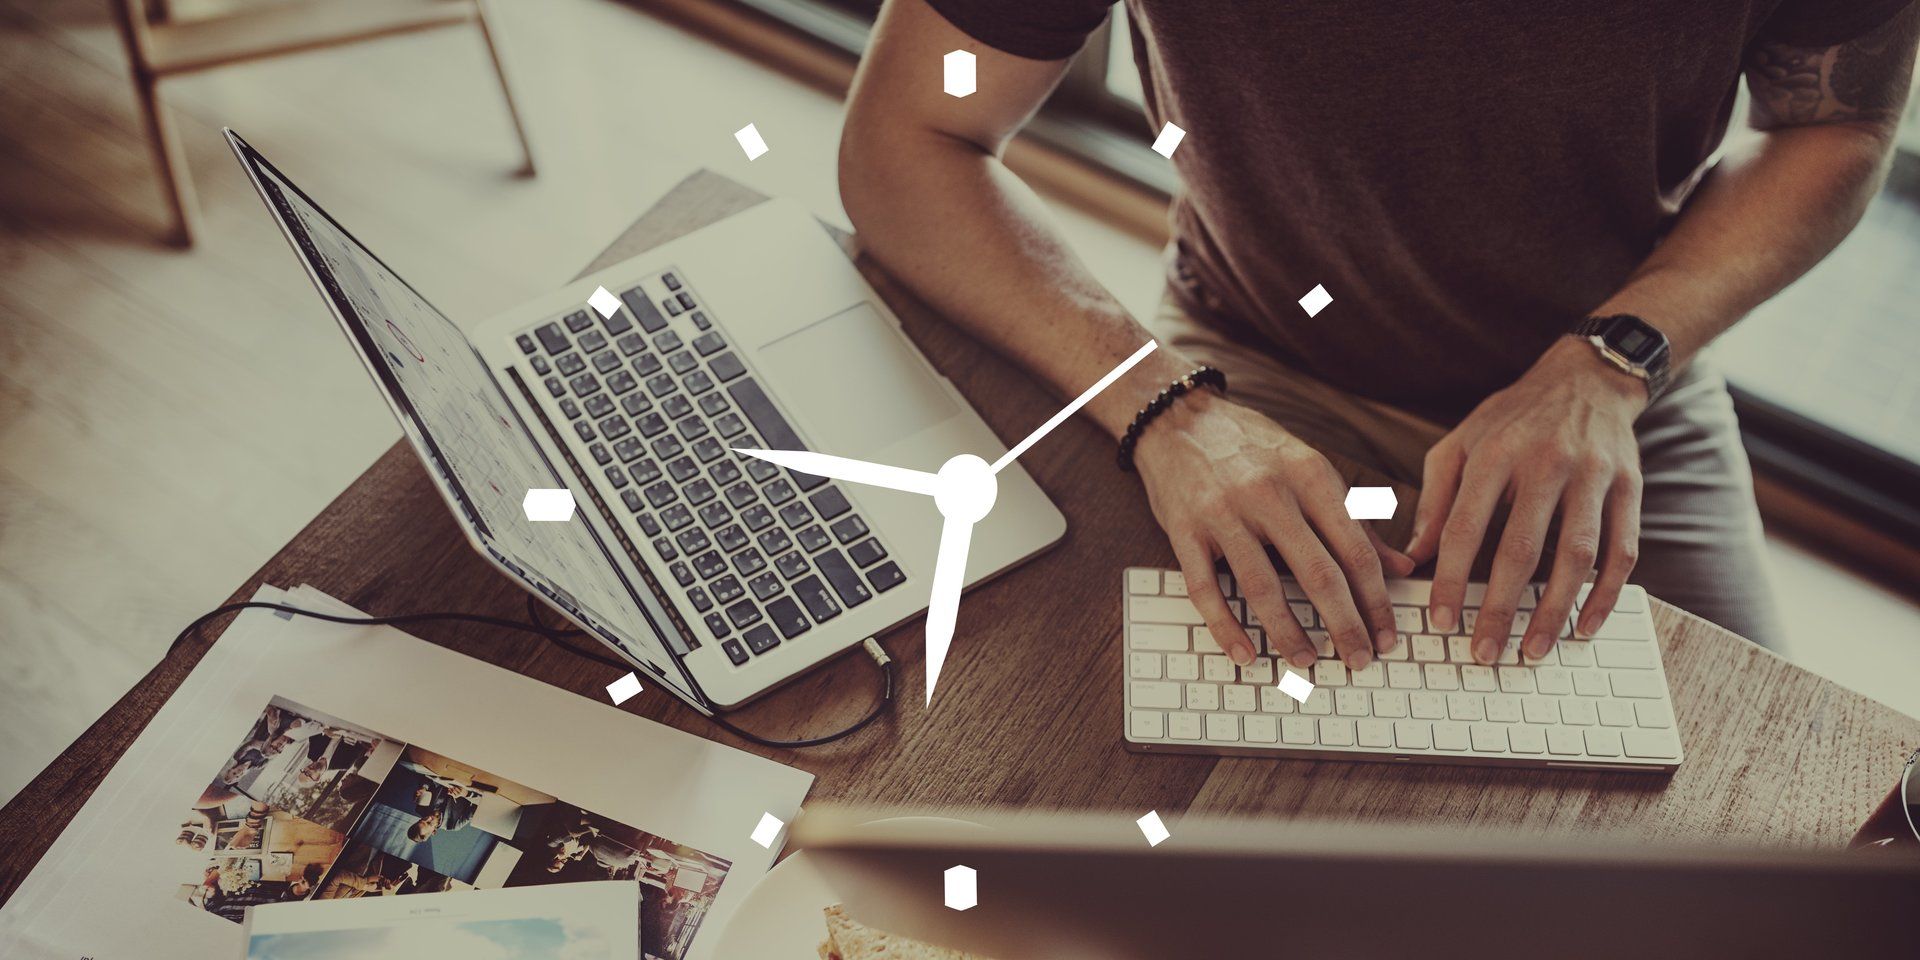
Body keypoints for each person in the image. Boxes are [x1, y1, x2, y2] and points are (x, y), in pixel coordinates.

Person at [841, 1, 1920, 666]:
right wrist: (1164, 407)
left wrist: (1610, 365)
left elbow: (1836, 126)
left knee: (1761, 873)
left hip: (1623, 373)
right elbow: (909, 142)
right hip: (1249, 361)